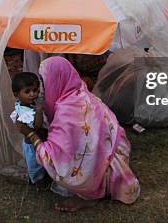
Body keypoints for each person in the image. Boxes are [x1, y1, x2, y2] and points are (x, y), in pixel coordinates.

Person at [16, 57, 140, 212]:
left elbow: (54, 157)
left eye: (44, 80)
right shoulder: (81, 92)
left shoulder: (66, 110)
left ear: (56, 80)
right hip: (117, 154)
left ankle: (88, 195)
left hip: (103, 169)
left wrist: (31, 135)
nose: (42, 88)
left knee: (59, 163)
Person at [10, 72, 49, 189]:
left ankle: (45, 175)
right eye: (27, 92)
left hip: (41, 140)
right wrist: (39, 112)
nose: (32, 94)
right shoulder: (23, 111)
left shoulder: (32, 103)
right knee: (34, 163)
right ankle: (37, 181)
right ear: (17, 94)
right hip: (32, 144)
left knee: (43, 161)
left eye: (35, 90)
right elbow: (36, 127)